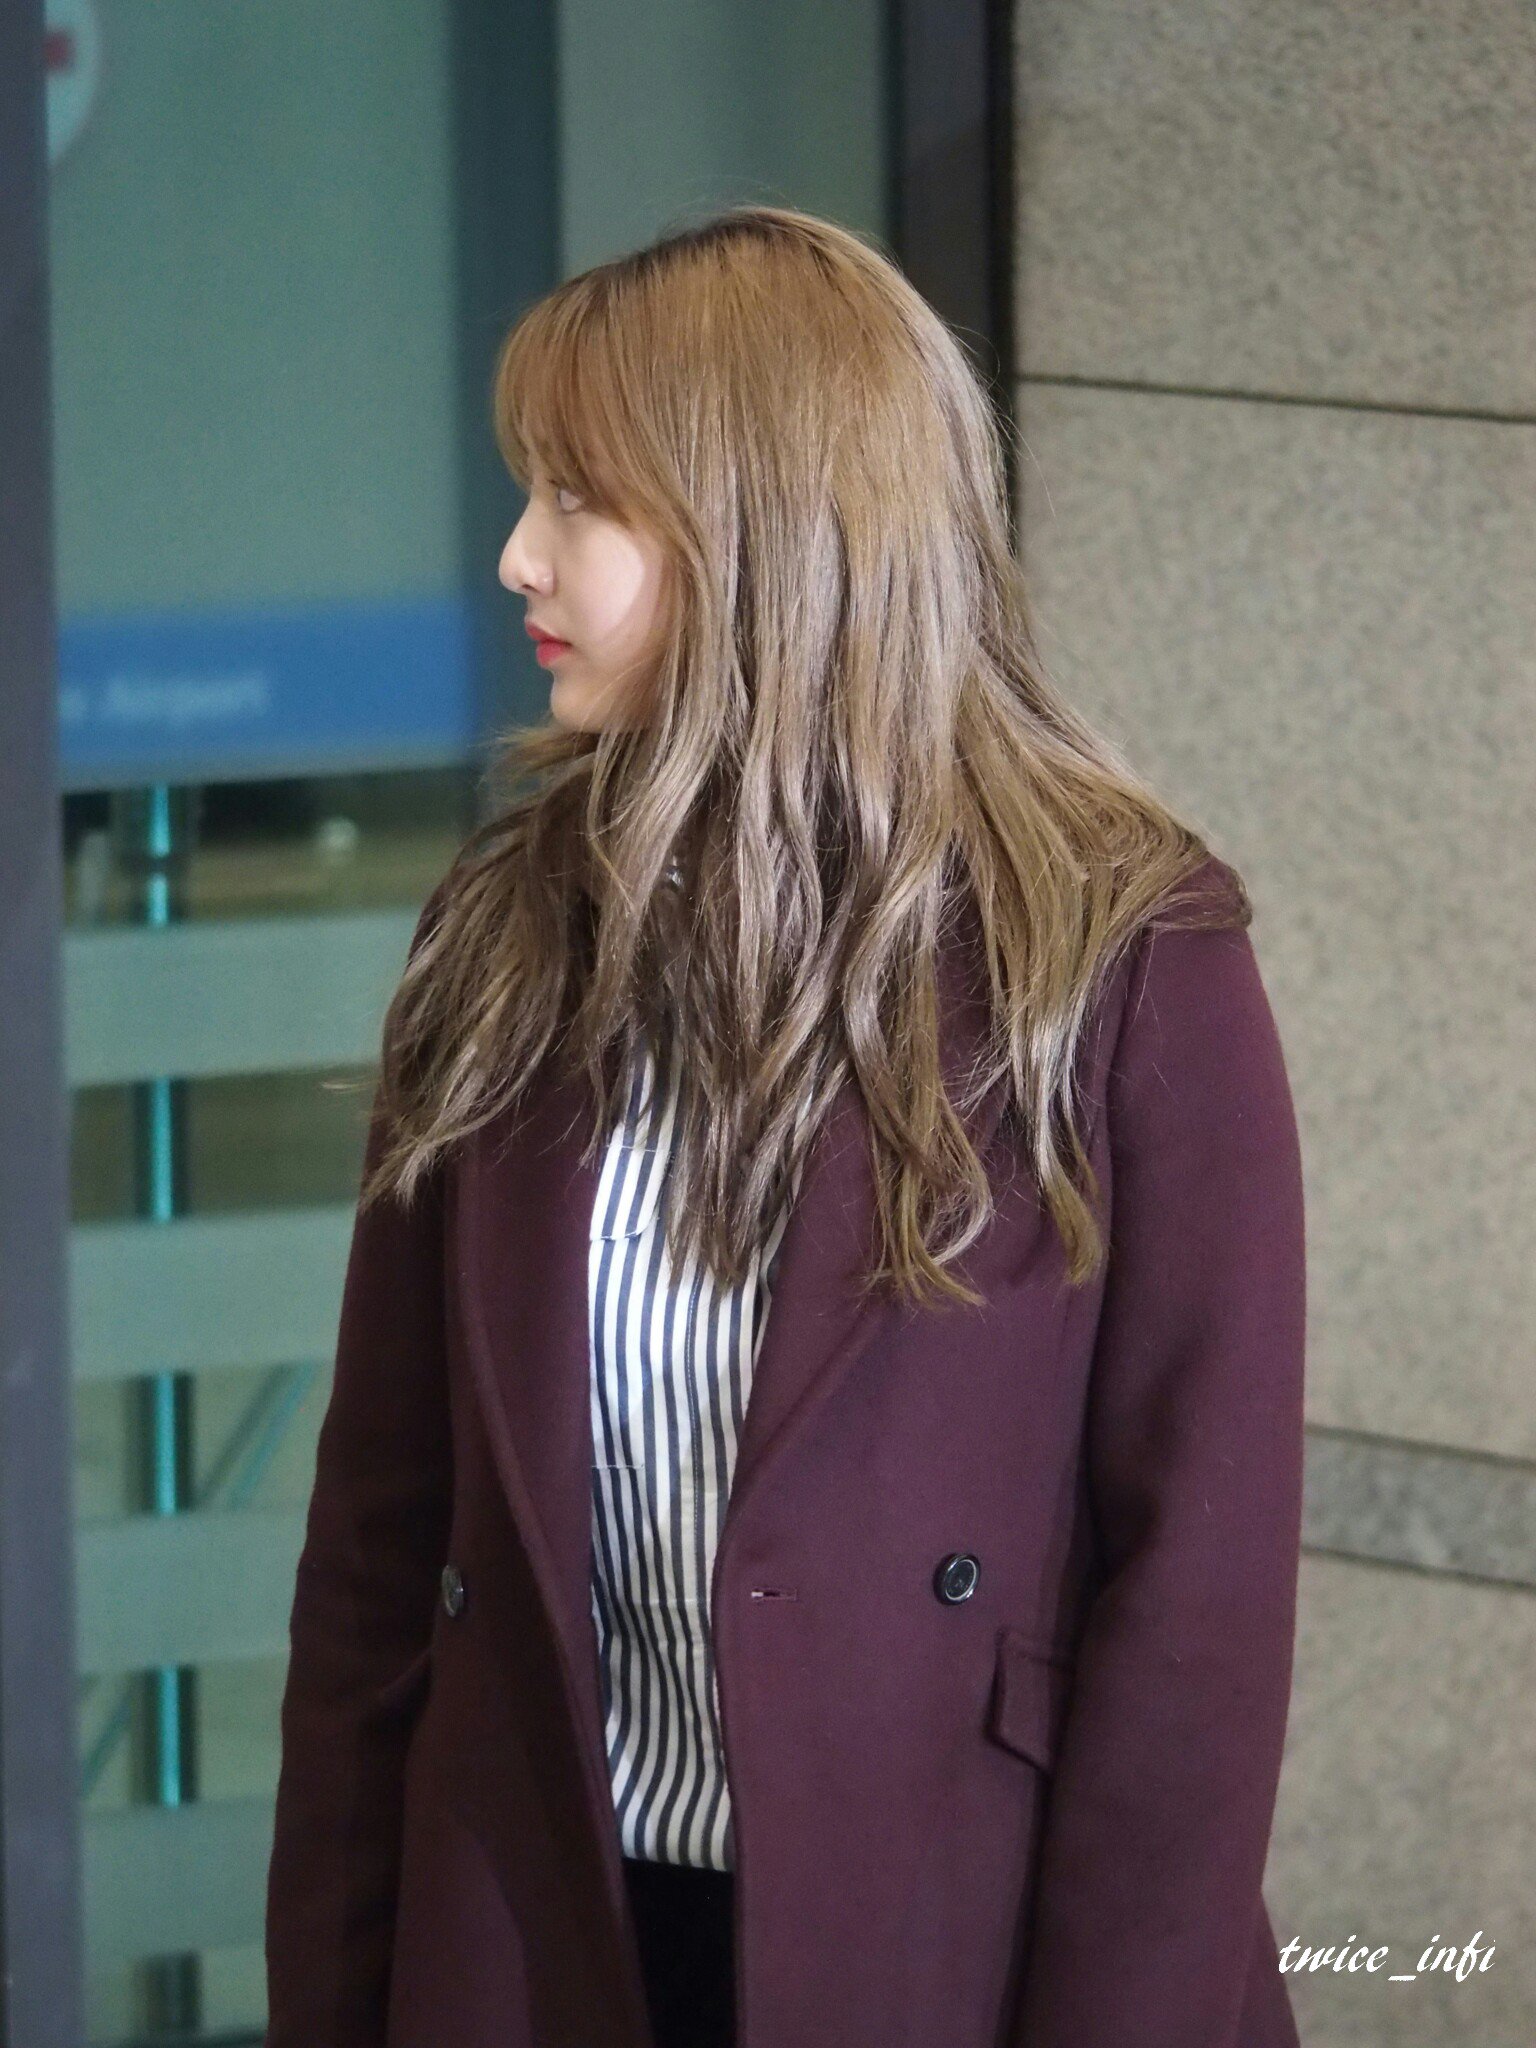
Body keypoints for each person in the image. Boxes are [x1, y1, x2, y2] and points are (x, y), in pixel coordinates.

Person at [264, 205, 1306, 2048]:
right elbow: (378, 1556)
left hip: (951, 1951)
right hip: (533, 1945)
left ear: (764, 531)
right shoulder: (503, 933)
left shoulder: (1122, 959)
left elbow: (1196, 1627)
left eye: (579, 497)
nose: (516, 555)